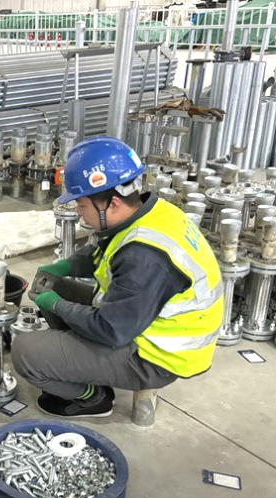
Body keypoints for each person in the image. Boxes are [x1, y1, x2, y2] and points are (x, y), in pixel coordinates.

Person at [11, 136, 223, 418]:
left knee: (25, 352)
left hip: (158, 355)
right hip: (143, 321)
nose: (79, 213)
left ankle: (93, 398)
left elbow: (111, 329)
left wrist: (56, 305)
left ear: (111, 204)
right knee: (53, 286)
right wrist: (64, 268)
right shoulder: (152, 213)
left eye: (81, 204)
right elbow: (104, 250)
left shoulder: (143, 257)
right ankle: (76, 359)